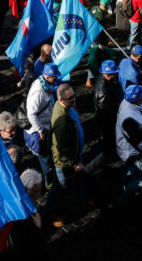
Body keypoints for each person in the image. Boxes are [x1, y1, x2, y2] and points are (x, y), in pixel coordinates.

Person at [49, 83, 84, 226]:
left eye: (74, 96)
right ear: (61, 100)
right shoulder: (62, 121)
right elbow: (61, 150)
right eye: (70, 99)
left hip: (72, 156)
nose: (74, 100)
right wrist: (75, 163)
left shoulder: (65, 107)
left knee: (66, 186)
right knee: (61, 188)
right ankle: (54, 214)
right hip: (64, 163)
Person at [115, 84, 142, 203]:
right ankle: (123, 199)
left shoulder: (128, 103)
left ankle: (128, 189)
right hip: (132, 152)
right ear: (136, 99)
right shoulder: (128, 118)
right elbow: (136, 139)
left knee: (130, 172)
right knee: (140, 181)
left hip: (131, 150)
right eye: (141, 96)